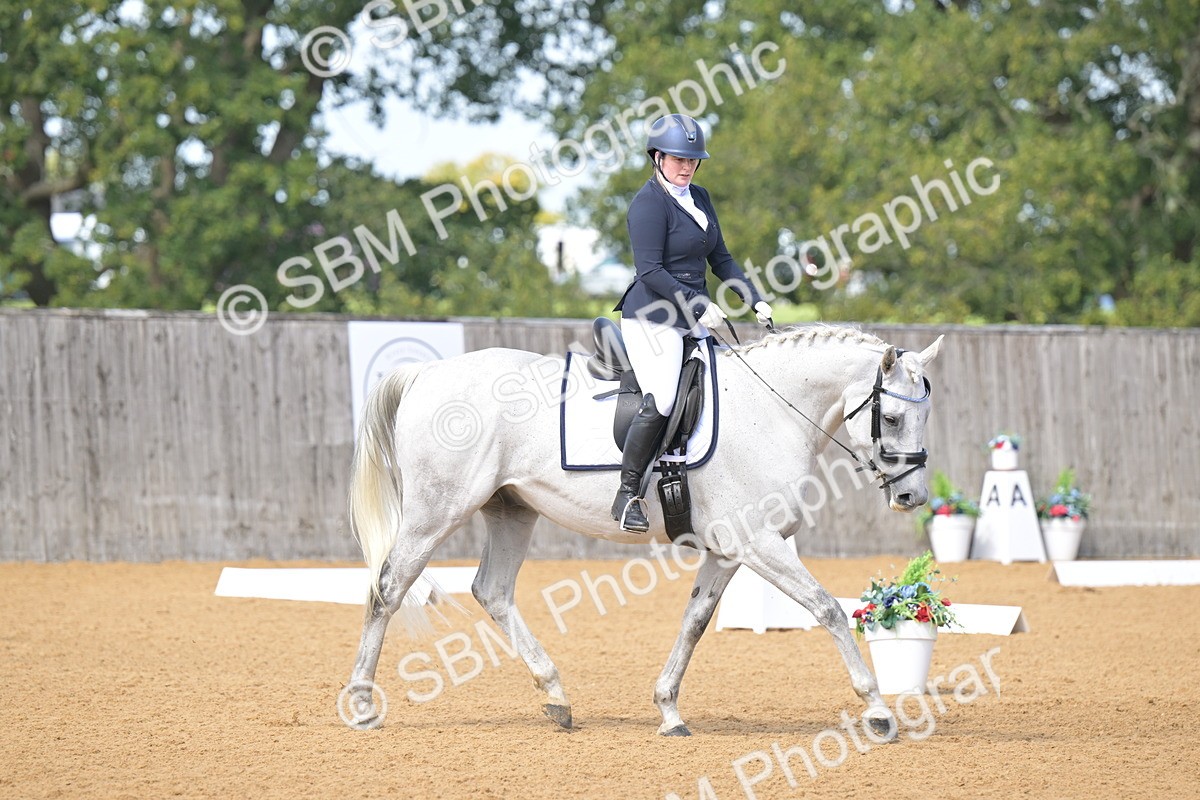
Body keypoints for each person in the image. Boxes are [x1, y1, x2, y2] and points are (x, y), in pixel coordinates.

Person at [610, 113, 772, 532]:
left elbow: (721, 258)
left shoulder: (699, 197)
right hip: (652, 317)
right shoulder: (648, 204)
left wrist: (754, 300)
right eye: (678, 159)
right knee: (663, 397)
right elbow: (650, 271)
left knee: (727, 386)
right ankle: (628, 494)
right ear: (658, 157)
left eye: (692, 160)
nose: (686, 167)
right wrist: (698, 304)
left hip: (688, 315)